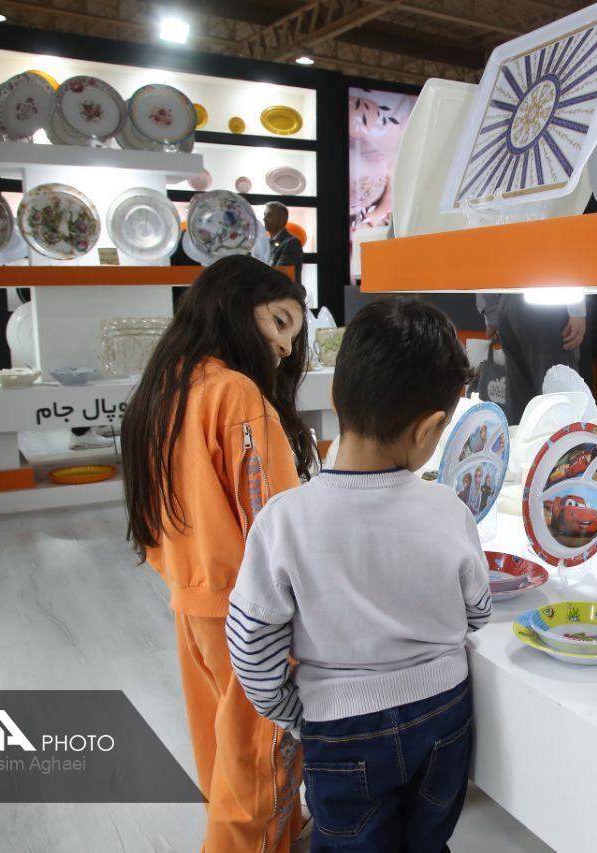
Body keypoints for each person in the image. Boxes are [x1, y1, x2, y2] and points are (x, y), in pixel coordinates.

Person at [227, 296, 490, 851]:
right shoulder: (449, 510)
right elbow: (478, 611)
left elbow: (251, 645)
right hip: (443, 711)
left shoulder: (283, 520)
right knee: (427, 840)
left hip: (340, 725)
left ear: (335, 395)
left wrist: (295, 714)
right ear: (430, 429)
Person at [120, 255, 318, 852]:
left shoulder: (168, 384)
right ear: (234, 306)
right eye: (278, 322)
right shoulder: (235, 392)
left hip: (191, 598)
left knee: (223, 754)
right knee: (261, 766)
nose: (285, 347)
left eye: (292, 333)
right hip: (250, 613)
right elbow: (273, 520)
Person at [475, 293, 586, 424]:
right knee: (559, 399)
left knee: (521, 402)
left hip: (508, 302)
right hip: (548, 303)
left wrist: (492, 314)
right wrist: (577, 310)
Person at [263, 201, 304, 268]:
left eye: (269, 215)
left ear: (282, 219)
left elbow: (281, 272)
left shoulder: (292, 243)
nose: (264, 219)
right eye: (264, 215)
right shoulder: (265, 242)